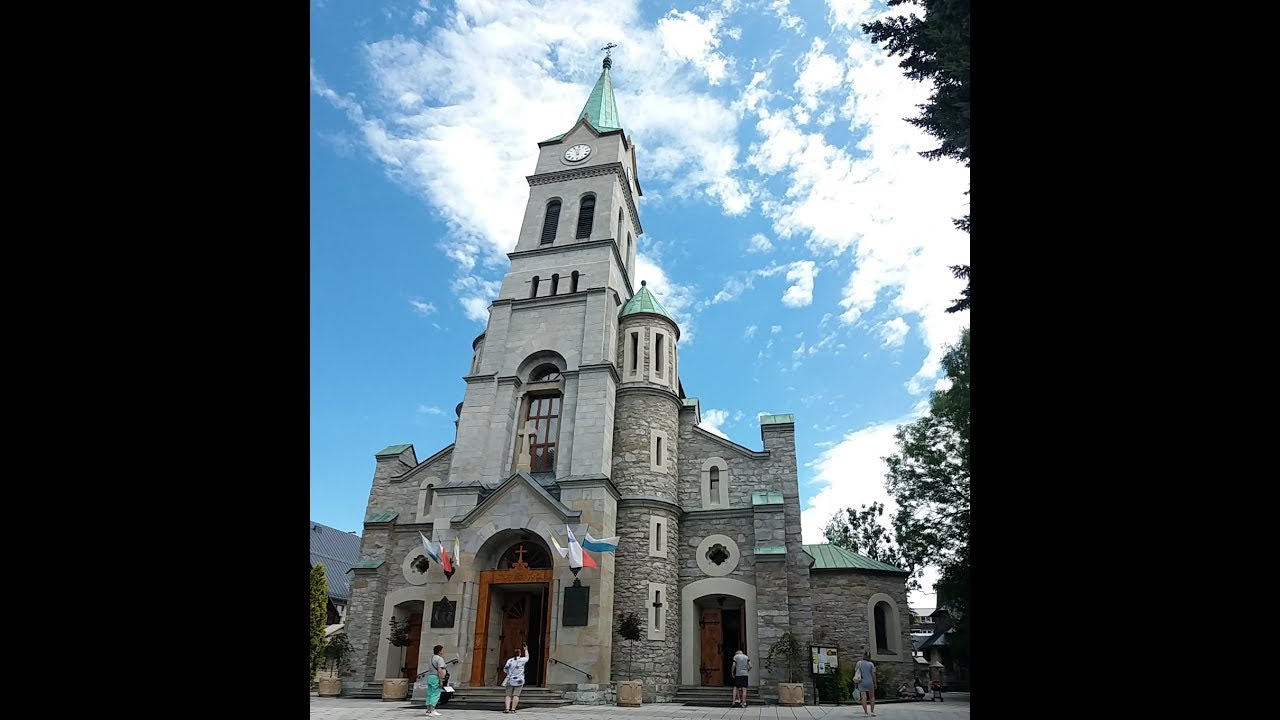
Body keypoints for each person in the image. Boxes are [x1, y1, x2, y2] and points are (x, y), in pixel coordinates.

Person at [502, 643, 530, 714]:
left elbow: (505, 670)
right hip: (519, 680)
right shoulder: (522, 660)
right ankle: (513, 709)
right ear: (520, 654)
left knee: (508, 695)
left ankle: (507, 708)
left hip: (510, 680)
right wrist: (526, 649)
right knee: (516, 695)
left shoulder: (510, 660)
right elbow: (527, 657)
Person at [423, 644, 446, 717]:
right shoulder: (439, 659)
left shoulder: (431, 658)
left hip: (430, 677)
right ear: (439, 651)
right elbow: (440, 670)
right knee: (435, 693)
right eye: (442, 650)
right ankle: (432, 710)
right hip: (436, 677)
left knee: (430, 693)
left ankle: (428, 710)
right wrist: (441, 680)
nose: (443, 652)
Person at [855, 651, 877, 717]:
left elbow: (856, 673)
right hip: (870, 682)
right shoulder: (871, 664)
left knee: (863, 697)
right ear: (869, 657)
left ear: (863, 656)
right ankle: (872, 711)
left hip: (862, 682)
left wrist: (855, 684)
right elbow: (873, 674)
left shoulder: (859, 663)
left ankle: (865, 713)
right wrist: (875, 683)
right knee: (872, 697)